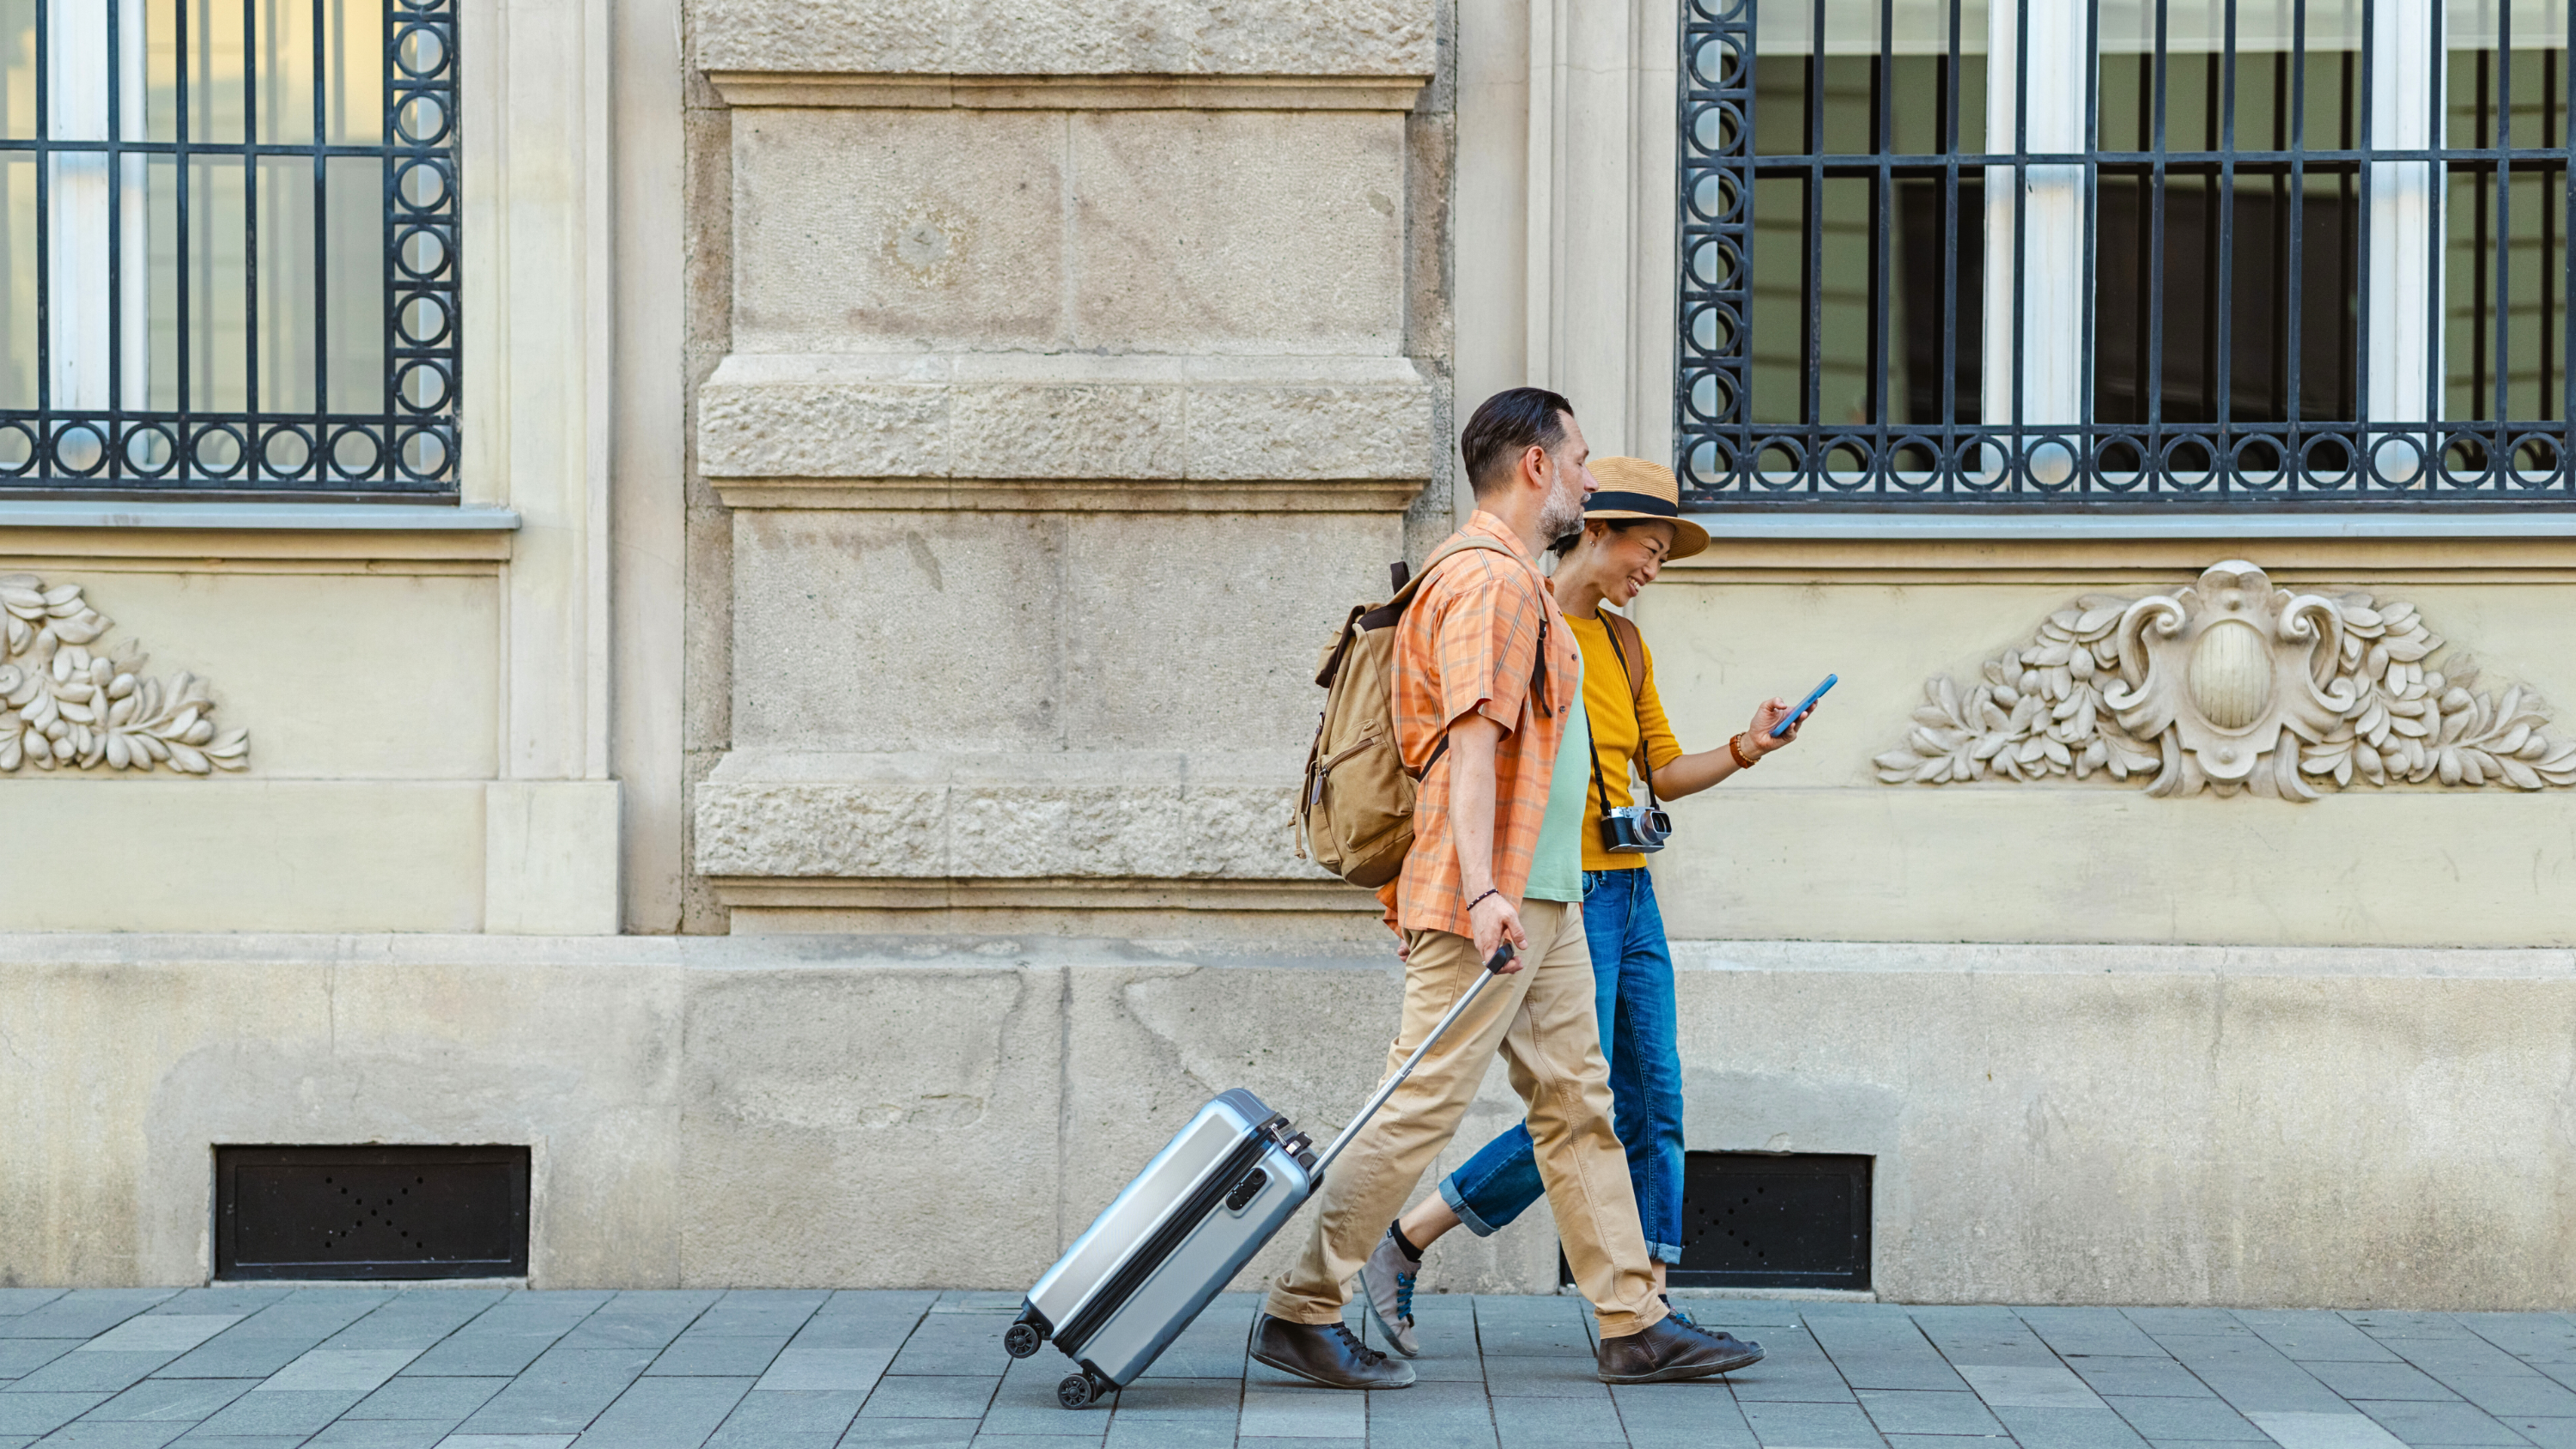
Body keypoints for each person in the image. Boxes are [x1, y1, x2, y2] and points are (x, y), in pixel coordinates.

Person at [1251, 391, 1763, 1391]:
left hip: (1548, 894)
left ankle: (1633, 1319)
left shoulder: (1513, 578)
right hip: (1496, 897)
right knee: (1420, 1103)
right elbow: (1468, 747)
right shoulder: (1488, 579)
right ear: (1535, 465)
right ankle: (1301, 1308)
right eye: (1578, 460)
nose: (1586, 478)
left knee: (1577, 1104)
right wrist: (1482, 890)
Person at [1354, 456, 1808, 1359]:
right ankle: (1404, 1237)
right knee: (1574, 1107)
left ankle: (1650, 1308)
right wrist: (1463, 888)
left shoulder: (1627, 646)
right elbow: (1458, 761)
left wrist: (1748, 747)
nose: (1655, 570)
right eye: (1650, 549)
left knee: (1654, 1095)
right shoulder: (1517, 614)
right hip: (1561, 893)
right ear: (1597, 532)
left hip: (1630, 889)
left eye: (1664, 558)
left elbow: (1662, 771)